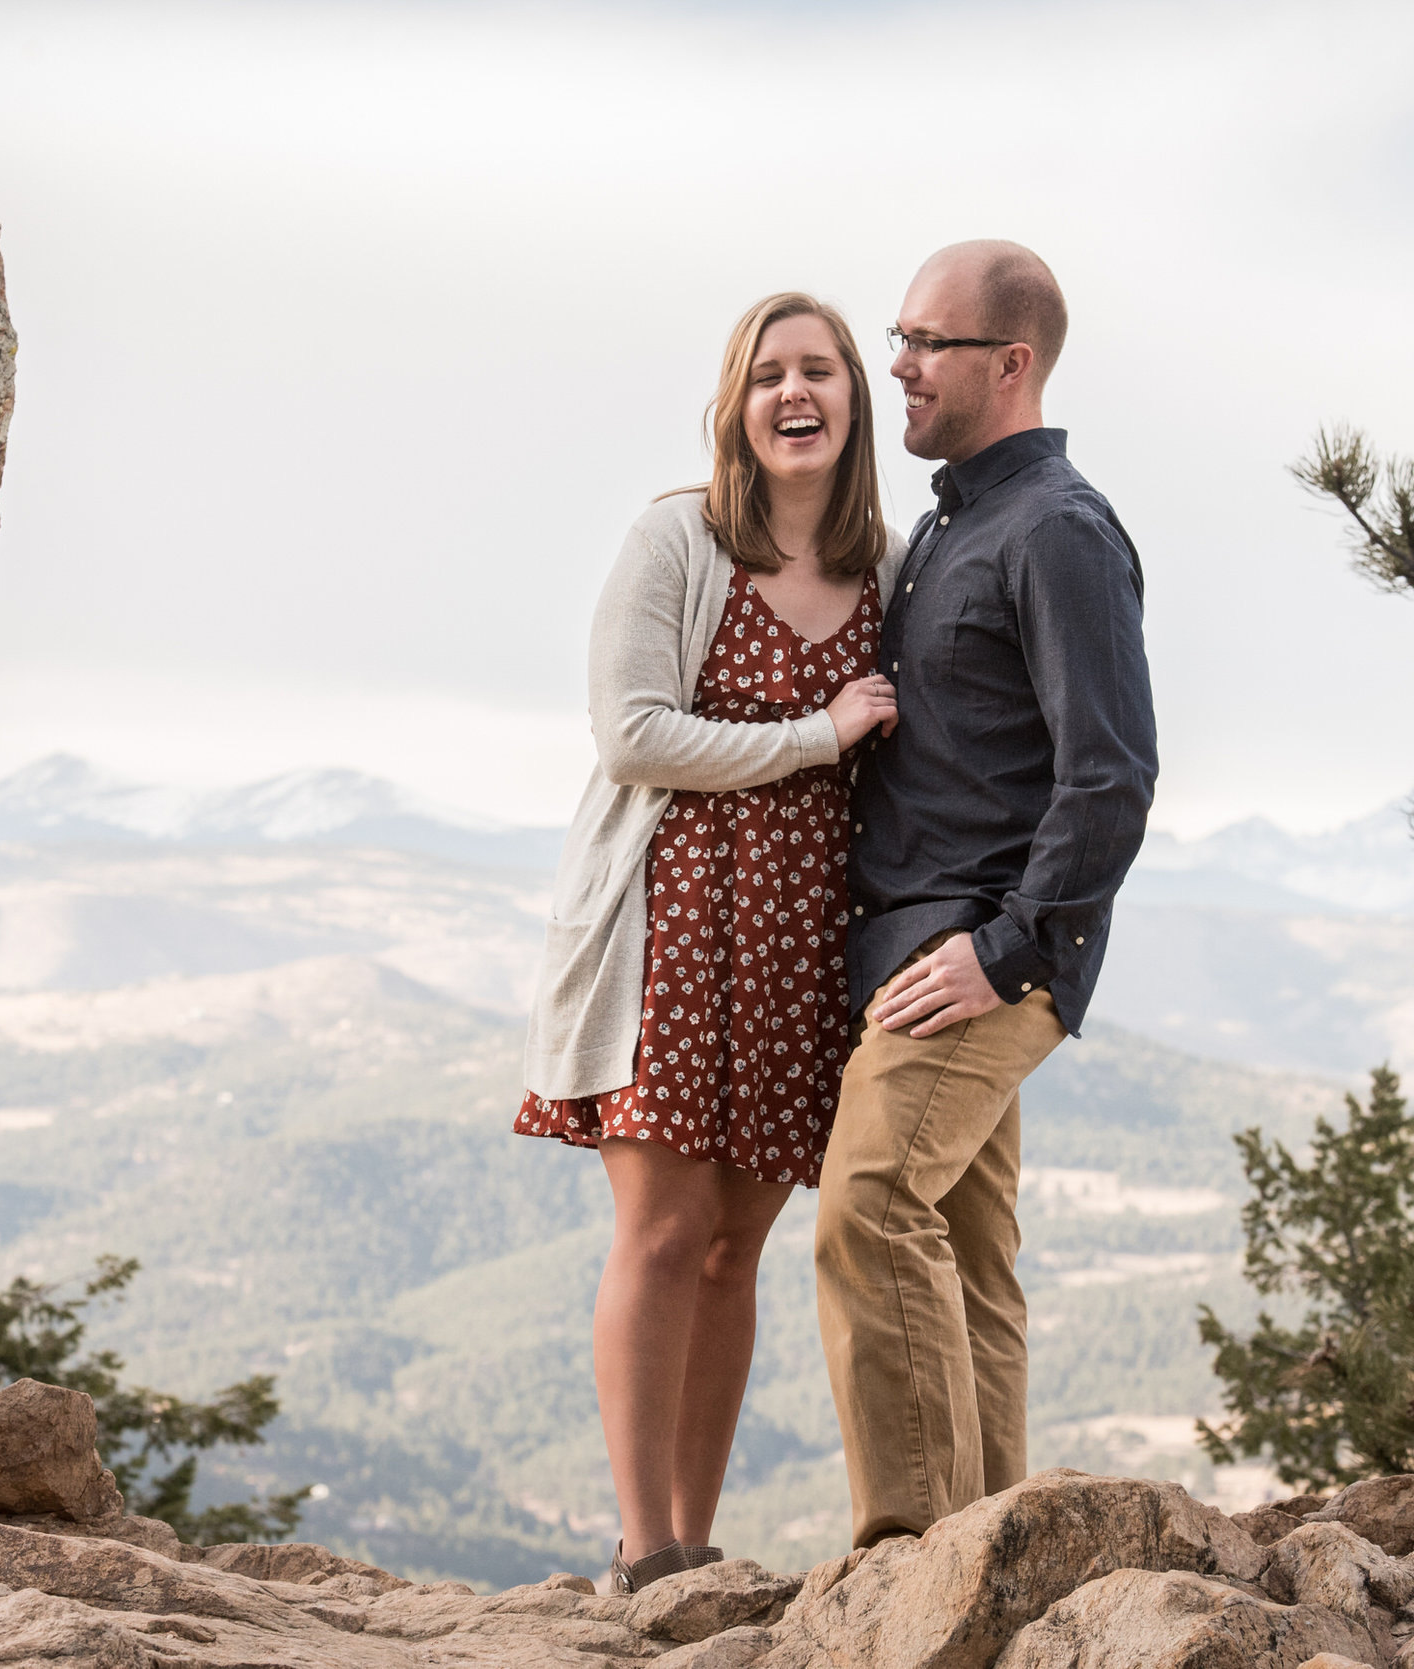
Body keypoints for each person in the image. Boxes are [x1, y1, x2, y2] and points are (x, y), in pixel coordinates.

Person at [516, 291, 905, 1594]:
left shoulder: (883, 568)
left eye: (821, 371)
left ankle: (695, 1542)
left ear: (855, 400)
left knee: (740, 1246)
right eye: (770, 375)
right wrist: (814, 735)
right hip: (672, 921)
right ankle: (639, 1545)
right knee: (665, 1232)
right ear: (736, 407)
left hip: (806, 945)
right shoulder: (679, 536)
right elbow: (631, 731)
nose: (796, 394)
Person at [814, 241, 1158, 1548]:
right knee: (966, 1266)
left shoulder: (1060, 529)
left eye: (925, 343)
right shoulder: (954, 521)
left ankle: (914, 1560)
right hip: (918, 943)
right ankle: (1000, 1559)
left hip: (979, 957)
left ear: (1009, 365)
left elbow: (1111, 771)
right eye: (896, 336)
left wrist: (1012, 951)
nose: (893, 364)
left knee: (868, 1207)